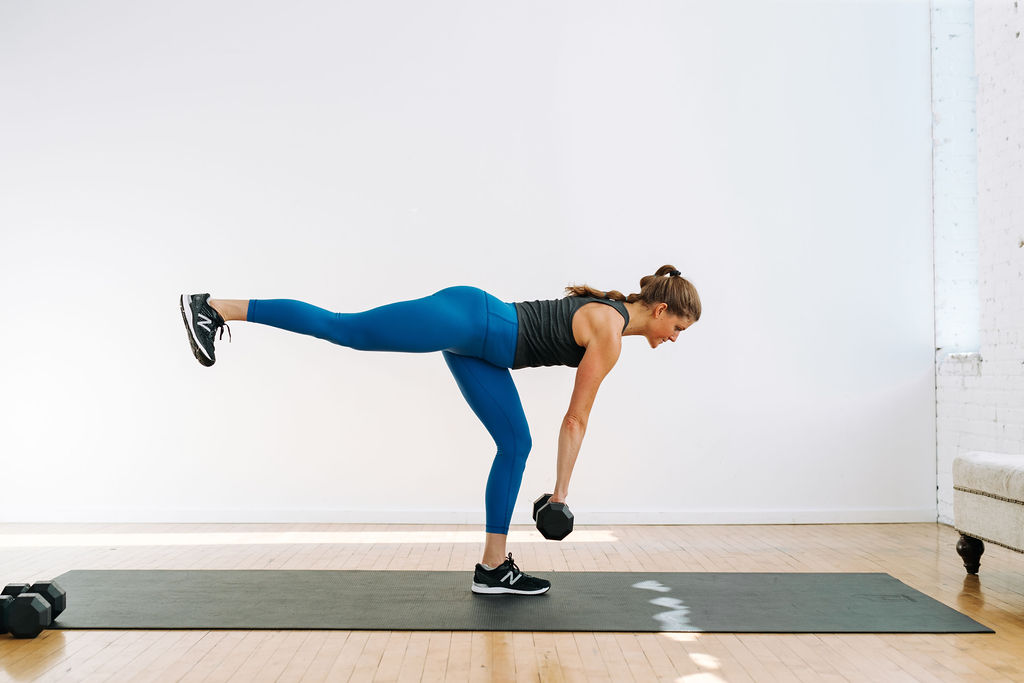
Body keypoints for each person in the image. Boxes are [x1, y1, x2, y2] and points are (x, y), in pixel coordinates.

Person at [179, 264, 700, 596]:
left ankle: (494, 568)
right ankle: (216, 306)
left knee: (515, 443)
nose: (674, 338)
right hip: (470, 322)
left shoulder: (611, 322)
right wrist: (560, 496)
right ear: (660, 310)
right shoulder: (609, 334)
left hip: (483, 346)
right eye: (677, 328)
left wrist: (556, 493)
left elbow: (570, 418)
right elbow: (575, 418)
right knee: (348, 328)